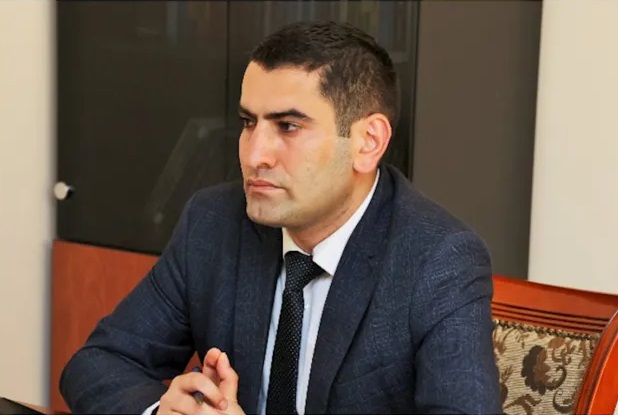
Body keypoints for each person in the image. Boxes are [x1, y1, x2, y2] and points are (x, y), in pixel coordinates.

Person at [60, 20, 502, 414]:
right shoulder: (214, 222)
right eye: (248, 122)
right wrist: (163, 411)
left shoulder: (438, 260)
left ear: (368, 142)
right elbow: (98, 363)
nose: (254, 155)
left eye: (288, 126)